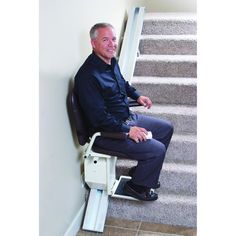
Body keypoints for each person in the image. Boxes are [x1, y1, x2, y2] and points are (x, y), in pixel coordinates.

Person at [74, 23, 173, 201]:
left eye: (113, 39)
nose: (112, 44)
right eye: (105, 40)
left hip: (126, 118)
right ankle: (136, 187)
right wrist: (129, 131)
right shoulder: (87, 76)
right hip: (107, 133)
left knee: (166, 128)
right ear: (93, 43)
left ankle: (143, 172)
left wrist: (137, 95)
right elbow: (99, 119)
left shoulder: (111, 61)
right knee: (157, 150)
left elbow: (123, 83)